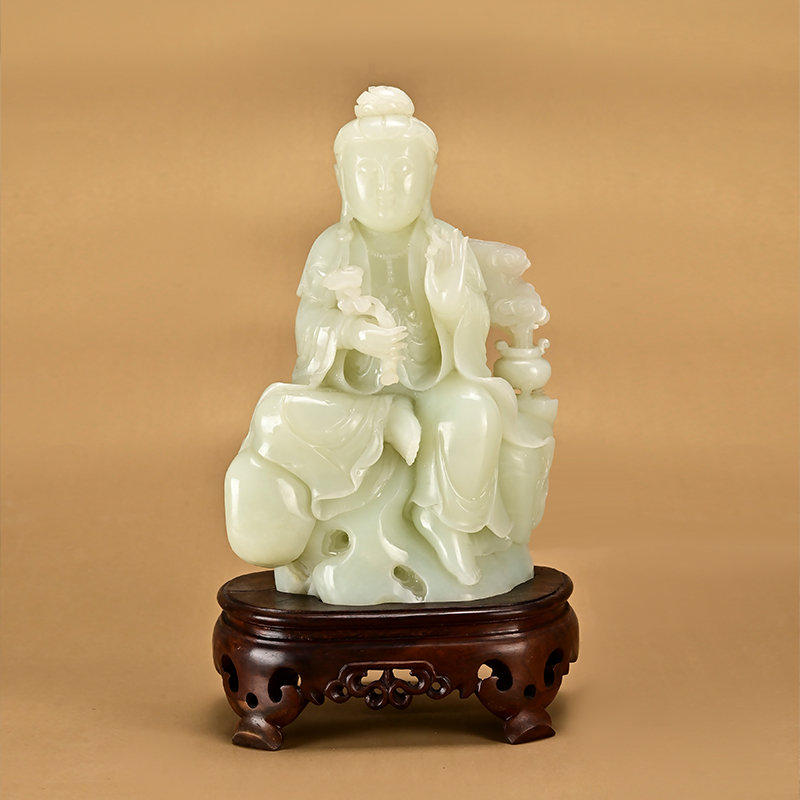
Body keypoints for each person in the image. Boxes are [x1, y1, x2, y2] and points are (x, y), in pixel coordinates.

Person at [225, 86, 556, 604]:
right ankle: (385, 425)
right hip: (355, 397)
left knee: (475, 410)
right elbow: (310, 321)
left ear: (429, 177)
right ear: (342, 178)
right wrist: (352, 334)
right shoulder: (333, 246)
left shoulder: (444, 243)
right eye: (368, 172)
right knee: (273, 415)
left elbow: (473, 328)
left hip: (433, 386)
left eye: (402, 172)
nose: (384, 188)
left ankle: (446, 522)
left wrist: (452, 303)